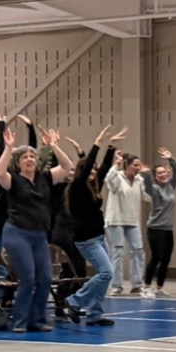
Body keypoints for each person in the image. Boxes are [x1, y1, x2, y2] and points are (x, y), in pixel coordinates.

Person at [0, 127, 74, 333]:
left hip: (39, 235)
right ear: (18, 162)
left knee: (45, 278)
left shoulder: (45, 178)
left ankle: (37, 319)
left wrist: (54, 146)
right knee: (28, 278)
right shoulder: (14, 180)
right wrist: (9, 147)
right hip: (17, 233)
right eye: (25, 157)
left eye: (32, 156)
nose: (29, 159)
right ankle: (19, 321)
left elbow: (67, 166)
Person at [59, 129, 120, 327]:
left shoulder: (94, 187)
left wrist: (110, 147)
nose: (93, 173)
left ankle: (94, 314)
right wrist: (96, 143)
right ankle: (75, 301)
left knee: (103, 276)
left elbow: (104, 169)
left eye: (94, 170)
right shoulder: (76, 186)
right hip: (86, 239)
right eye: (90, 170)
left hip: (99, 237)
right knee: (106, 273)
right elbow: (85, 169)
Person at [103, 131, 146, 295]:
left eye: (139, 165)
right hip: (116, 220)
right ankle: (116, 285)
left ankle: (137, 283)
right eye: (135, 165)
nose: (138, 168)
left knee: (138, 250)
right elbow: (108, 181)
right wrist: (116, 164)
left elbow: (147, 196)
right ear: (127, 165)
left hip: (133, 220)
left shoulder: (139, 180)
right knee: (118, 251)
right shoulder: (117, 177)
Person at [139, 147, 176, 298]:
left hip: (168, 229)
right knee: (156, 257)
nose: (163, 174)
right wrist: (145, 173)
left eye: (164, 172)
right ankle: (146, 287)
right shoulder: (154, 189)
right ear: (155, 177)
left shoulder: (170, 186)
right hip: (155, 228)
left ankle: (160, 287)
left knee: (166, 259)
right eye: (159, 173)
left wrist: (171, 158)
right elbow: (146, 184)